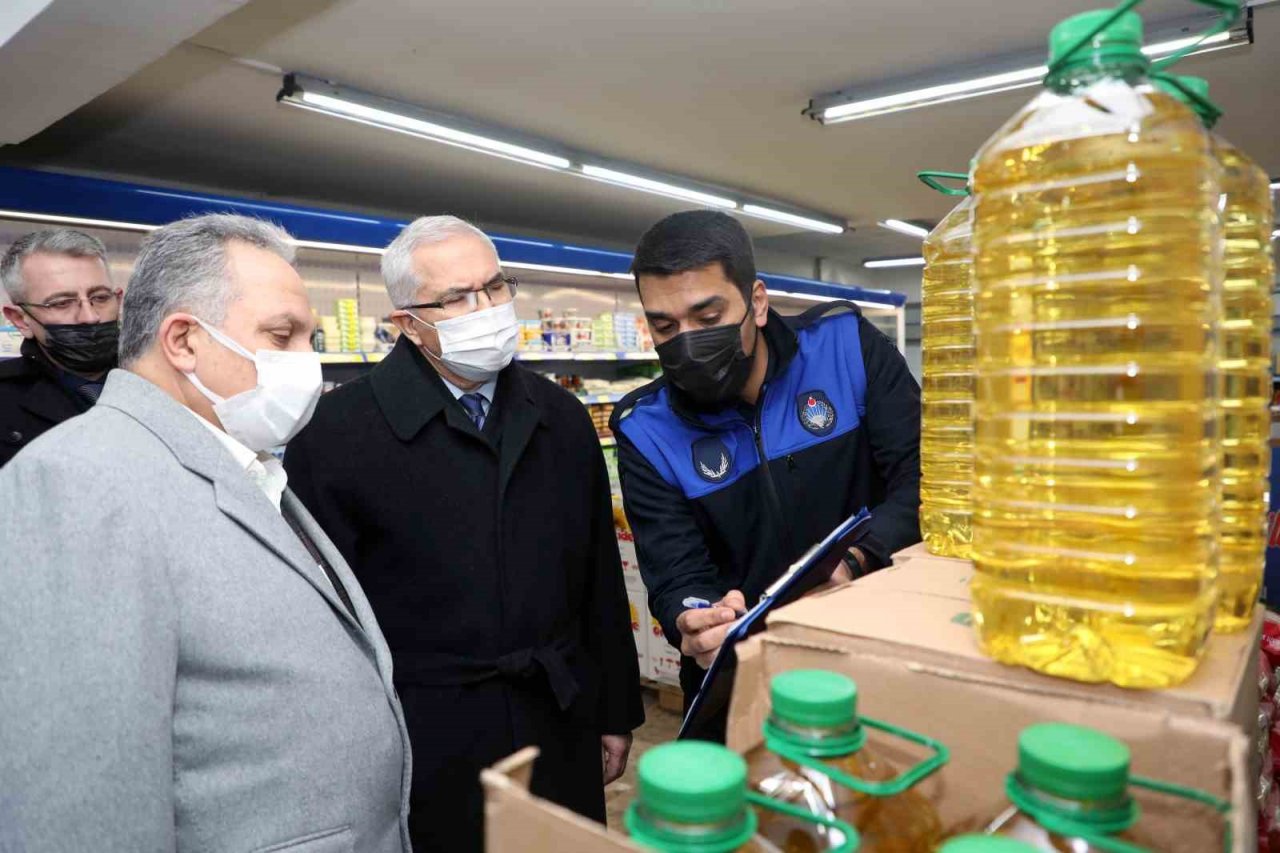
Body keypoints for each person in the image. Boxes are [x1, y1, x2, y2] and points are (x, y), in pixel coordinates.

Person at [0, 214, 413, 852]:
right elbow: (82, 805)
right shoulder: (76, 481)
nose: (308, 360)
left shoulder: (236, 459)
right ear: (184, 341)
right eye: (283, 335)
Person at [284, 215, 645, 853]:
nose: (485, 308)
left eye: (494, 287)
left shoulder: (560, 418)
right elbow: (323, 622)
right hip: (425, 728)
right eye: (455, 298)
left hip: (555, 713)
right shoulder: (334, 435)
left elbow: (598, 578)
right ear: (407, 322)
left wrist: (615, 709)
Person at [610, 210, 922, 739]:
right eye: (665, 326)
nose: (686, 341)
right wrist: (694, 618)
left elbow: (921, 482)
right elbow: (675, 569)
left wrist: (851, 563)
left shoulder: (845, 346)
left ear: (756, 302)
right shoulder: (645, 427)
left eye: (707, 318)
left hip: (878, 652)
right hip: (743, 683)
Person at [0, 229, 122, 466]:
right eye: (62, 303)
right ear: (19, 319)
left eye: (100, 297)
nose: (89, 317)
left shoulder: (169, 384)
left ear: (119, 299)